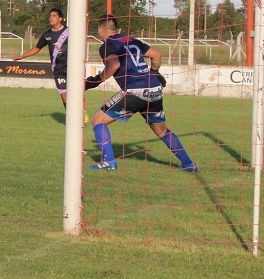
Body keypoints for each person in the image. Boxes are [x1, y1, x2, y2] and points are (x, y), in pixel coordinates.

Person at [84, 14, 197, 172]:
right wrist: (155, 72)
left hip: (135, 91)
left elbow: (114, 64)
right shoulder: (132, 40)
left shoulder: (107, 45)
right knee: (162, 131)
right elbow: (156, 55)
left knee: (98, 119)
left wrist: (96, 80)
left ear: (101, 29)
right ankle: (189, 164)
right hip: (154, 89)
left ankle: (108, 161)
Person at [12, 8, 86, 121]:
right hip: (58, 69)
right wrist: (22, 56)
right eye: (50, 16)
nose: (51, 18)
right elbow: (37, 48)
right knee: (64, 96)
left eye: (54, 16)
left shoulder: (69, 32)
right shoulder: (47, 35)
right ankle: (74, 119)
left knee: (76, 94)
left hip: (72, 68)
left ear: (60, 18)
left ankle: (81, 114)